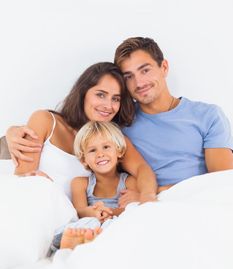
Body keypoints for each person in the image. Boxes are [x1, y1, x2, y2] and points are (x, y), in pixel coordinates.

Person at [7, 37, 233, 193]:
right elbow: (22, 165)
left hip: (188, 200)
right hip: (47, 201)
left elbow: (223, 183)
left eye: (145, 70)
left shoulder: (207, 116)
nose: (140, 83)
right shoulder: (118, 124)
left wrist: (148, 195)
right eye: (129, 76)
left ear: (164, 67)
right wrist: (10, 133)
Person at [10, 62, 157, 206]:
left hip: (78, 223)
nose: (108, 106)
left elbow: (142, 169)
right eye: (100, 95)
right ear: (83, 93)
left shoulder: (114, 140)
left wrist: (145, 196)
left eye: (116, 99)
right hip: (37, 205)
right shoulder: (45, 121)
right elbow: (23, 179)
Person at [50, 120, 138, 253]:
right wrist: (92, 212)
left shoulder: (129, 182)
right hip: (89, 224)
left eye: (106, 147)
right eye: (92, 150)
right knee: (89, 223)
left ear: (119, 151)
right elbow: (79, 211)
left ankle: (93, 242)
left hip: (114, 226)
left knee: (116, 224)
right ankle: (71, 242)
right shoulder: (80, 183)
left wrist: (109, 212)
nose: (100, 154)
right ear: (84, 159)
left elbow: (132, 209)